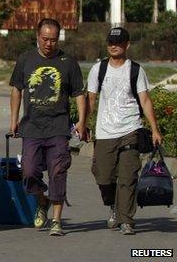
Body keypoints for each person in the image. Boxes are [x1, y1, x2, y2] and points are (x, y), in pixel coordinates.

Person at [9, 18, 87, 237]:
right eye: (45, 39)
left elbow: (79, 93)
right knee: (29, 171)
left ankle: (56, 220)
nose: (49, 44)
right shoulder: (26, 60)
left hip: (58, 127)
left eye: (53, 40)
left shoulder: (68, 62)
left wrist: (82, 121)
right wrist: (14, 119)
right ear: (37, 36)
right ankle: (42, 200)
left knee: (58, 171)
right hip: (32, 127)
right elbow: (16, 89)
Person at [87, 27, 163, 235]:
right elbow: (91, 99)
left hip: (130, 129)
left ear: (127, 45)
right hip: (104, 132)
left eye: (118, 42)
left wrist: (154, 129)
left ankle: (126, 219)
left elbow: (145, 100)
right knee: (103, 176)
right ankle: (113, 205)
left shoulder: (136, 70)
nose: (113, 45)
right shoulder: (98, 69)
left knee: (128, 177)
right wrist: (83, 123)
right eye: (111, 42)